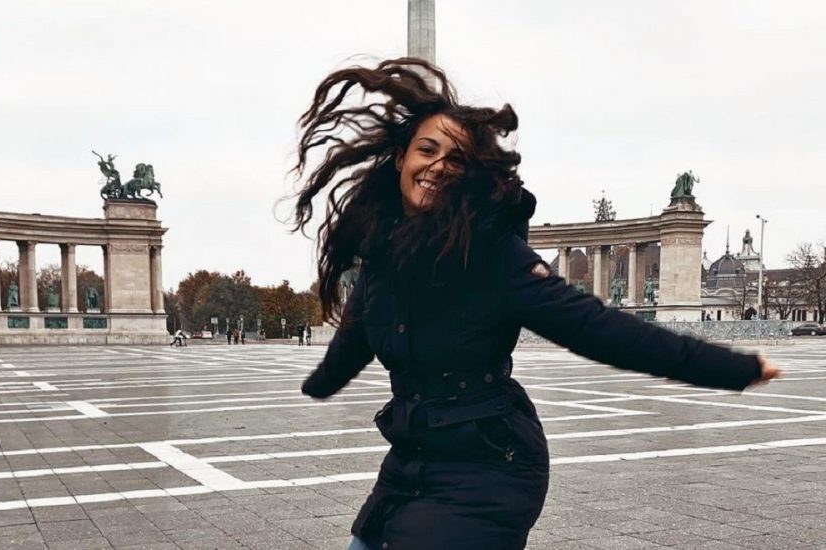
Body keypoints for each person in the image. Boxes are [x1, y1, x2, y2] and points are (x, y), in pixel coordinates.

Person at [291, 58, 781, 550]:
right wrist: (321, 382)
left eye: (456, 159)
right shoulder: (383, 253)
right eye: (427, 149)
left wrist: (728, 367)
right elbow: (356, 332)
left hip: (490, 464)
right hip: (411, 461)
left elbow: (601, 329)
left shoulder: (493, 254)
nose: (438, 165)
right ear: (401, 158)